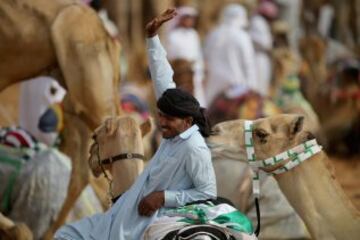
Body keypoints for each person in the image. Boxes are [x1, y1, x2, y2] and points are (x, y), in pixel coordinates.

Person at [54, 8, 216, 240]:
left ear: (187, 121)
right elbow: (162, 79)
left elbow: (208, 192)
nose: (162, 122)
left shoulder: (194, 148)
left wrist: (163, 197)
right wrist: (152, 38)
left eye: (168, 119)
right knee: (66, 234)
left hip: (149, 221)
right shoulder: (175, 129)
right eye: (160, 115)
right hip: (126, 211)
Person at [204, 3, 258, 106]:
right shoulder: (242, 36)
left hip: (213, 84)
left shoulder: (214, 34)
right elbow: (248, 64)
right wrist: (253, 88)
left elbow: (205, 57)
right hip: (236, 86)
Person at [165, 6, 206, 106]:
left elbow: (198, 55)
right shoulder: (173, 36)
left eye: (191, 18)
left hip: (194, 72)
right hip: (179, 73)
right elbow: (170, 56)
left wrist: (201, 73)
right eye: (187, 18)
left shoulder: (194, 35)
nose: (190, 21)